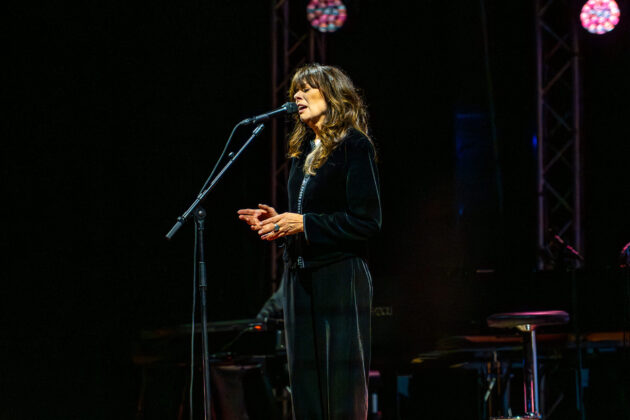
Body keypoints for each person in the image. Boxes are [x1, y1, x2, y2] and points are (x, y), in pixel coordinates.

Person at [237, 63, 381, 420]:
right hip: (300, 279)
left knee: (341, 389)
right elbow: (305, 217)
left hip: (339, 277)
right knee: (305, 388)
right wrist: (280, 224)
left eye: (306, 88)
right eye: (295, 91)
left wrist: (304, 223)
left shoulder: (354, 146)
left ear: (331, 94)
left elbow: (367, 221)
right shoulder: (302, 152)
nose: (297, 96)